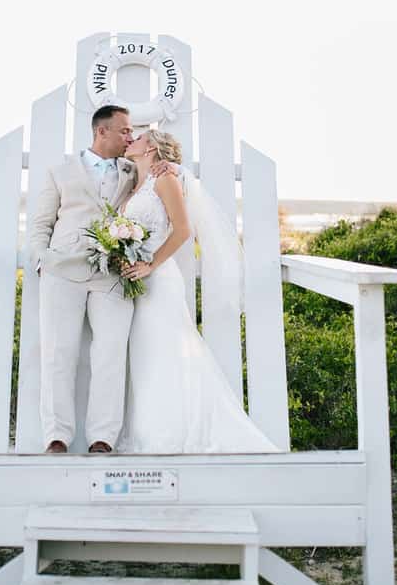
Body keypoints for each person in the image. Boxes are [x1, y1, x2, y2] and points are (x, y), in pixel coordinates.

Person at [116, 129, 282, 454]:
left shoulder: (165, 180)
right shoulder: (134, 184)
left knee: (163, 353)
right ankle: (146, 429)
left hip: (159, 281)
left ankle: (168, 434)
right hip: (135, 280)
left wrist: (150, 265)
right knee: (144, 356)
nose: (130, 140)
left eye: (137, 137)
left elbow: (182, 231)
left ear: (150, 146)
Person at [30, 105, 175, 454]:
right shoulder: (59, 171)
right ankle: (56, 435)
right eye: (124, 131)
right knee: (58, 353)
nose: (130, 136)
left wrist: (168, 166)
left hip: (113, 274)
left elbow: (163, 185)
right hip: (62, 272)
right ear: (102, 132)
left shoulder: (134, 170)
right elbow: (40, 224)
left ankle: (103, 437)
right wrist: (42, 260)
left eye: (132, 133)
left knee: (110, 354)